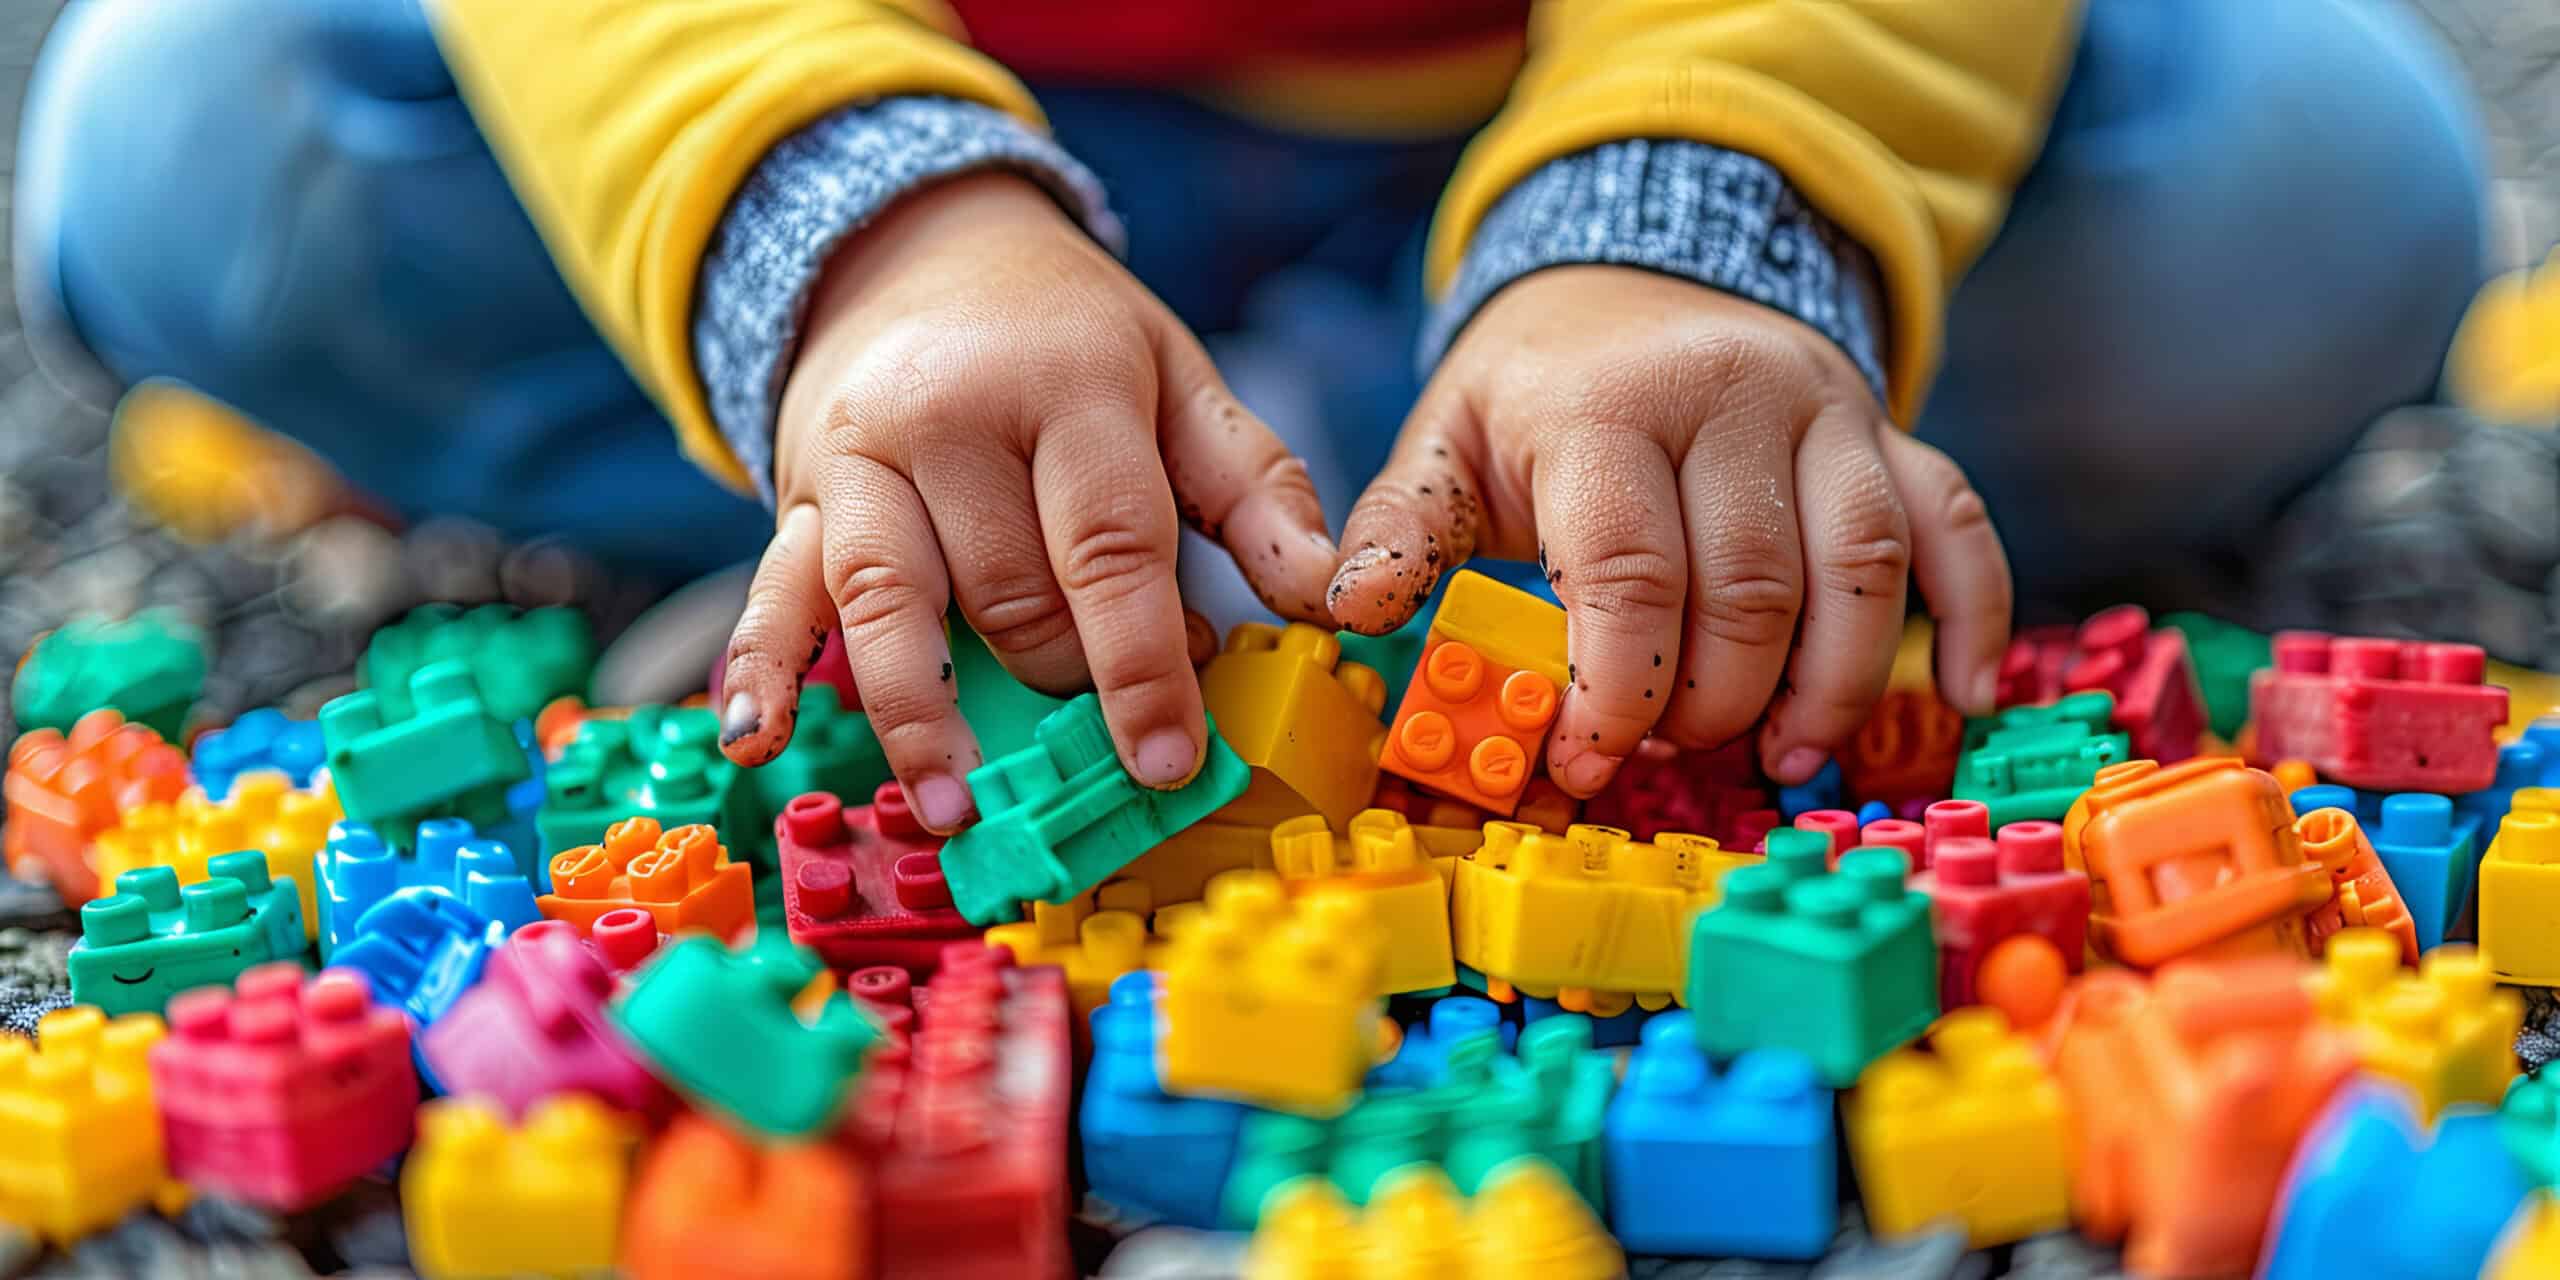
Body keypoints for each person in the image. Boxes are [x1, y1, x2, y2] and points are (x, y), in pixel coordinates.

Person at [17, 0, 2488, 835]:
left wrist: (1696, 207)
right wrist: (847, 224)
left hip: (1606, 106)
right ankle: (1018, 426)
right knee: (193, 132)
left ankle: (1322, 449)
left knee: (2323, 185)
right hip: (859, 109)